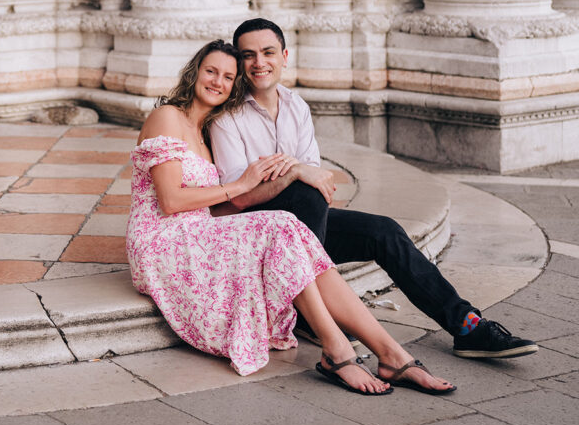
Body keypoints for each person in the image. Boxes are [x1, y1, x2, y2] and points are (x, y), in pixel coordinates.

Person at [127, 39, 456, 395]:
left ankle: (390, 353)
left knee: (288, 229)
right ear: (194, 72)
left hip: (198, 231)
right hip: (161, 241)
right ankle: (338, 348)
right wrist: (241, 185)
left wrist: (255, 192)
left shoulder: (207, 134)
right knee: (281, 224)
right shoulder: (167, 117)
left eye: (227, 76)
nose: (217, 82)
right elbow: (171, 201)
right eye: (210, 71)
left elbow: (208, 208)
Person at [209, 17, 538, 361]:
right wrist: (297, 172)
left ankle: (468, 326)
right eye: (249, 55)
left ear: (285, 56)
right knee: (304, 193)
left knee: (384, 231)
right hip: (256, 233)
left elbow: (320, 183)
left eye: (268, 52)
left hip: (303, 226)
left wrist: (296, 173)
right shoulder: (227, 117)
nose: (259, 63)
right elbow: (242, 197)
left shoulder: (296, 107)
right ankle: (312, 310)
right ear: (239, 61)